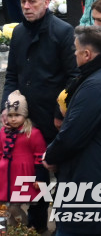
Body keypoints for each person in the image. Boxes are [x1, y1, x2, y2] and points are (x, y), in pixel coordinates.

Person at [42, 25, 101, 232]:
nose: (74, 53)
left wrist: (51, 155)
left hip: (91, 181)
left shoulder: (96, 85)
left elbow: (73, 134)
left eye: (76, 49)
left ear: (87, 54)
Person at [4, 0, 77, 151]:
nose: (26, 6)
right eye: (23, 2)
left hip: (52, 117)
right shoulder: (19, 32)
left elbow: (74, 77)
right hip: (24, 118)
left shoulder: (63, 31)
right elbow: (12, 75)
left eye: (32, 1)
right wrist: (6, 108)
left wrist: (60, 113)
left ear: (46, 2)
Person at [0, 90, 48, 232]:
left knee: (14, 207)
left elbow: (40, 156)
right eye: (10, 115)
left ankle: (27, 229)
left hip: (22, 177)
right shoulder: (3, 132)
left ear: (25, 115)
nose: (13, 119)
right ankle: (13, 231)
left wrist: (39, 178)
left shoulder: (32, 133)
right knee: (5, 208)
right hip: (5, 176)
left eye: (17, 115)